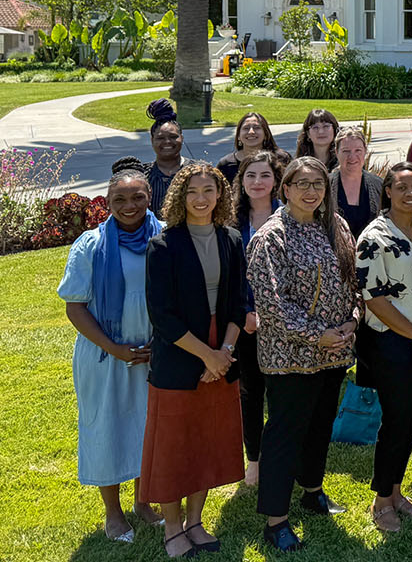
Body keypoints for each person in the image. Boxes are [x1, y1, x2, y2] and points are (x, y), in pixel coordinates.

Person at [248, 156, 360, 552]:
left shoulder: (336, 226)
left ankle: (312, 491)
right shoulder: (270, 237)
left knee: (320, 425)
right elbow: (272, 306)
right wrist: (318, 335)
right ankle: (276, 520)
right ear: (286, 189)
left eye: (318, 184)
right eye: (302, 184)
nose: (311, 191)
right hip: (289, 356)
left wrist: (352, 320)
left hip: (335, 353)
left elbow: (353, 281)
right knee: (285, 433)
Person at [141, 163, 248, 558]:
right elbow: (162, 315)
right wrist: (208, 356)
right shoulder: (163, 246)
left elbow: (239, 303)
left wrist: (225, 354)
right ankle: (172, 528)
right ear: (179, 197)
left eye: (208, 190)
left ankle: (195, 522)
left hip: (224, 347)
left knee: (206, 441)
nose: (201, 199)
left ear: (220, 195)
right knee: (174, 446)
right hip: (180, 356)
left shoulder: (232, 239)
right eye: (192, 192)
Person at [58, 170, 164, 542]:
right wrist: (115, 348)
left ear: (149, 196)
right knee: (108, 427)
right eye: (119, 199)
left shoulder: (164, 236)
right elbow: (75, 307)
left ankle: (144, 502)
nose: (129, 206)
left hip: (153, 356)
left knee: (147, 428)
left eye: (137, 197)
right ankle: (113, 513)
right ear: (107, 201)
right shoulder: (91, 245)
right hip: (105, 357)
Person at [355, 162, 412, 532]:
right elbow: (373, 299)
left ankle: (396, 492)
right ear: (387, 191)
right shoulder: (373, 237)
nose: (411, 194)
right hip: (391, 341)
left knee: (409, 420)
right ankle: (381, 501)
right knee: (395, 421)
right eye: (402, 187)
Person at [230, 151, 284, 487]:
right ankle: (255, 460)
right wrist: (244, 315)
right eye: (250, 176)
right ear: (242, 182)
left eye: (264, 175)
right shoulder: (231, 223)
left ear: (276, 180)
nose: (257, 182)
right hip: (246, 324)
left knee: (281, 394)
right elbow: (227, 277)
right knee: (250, 393)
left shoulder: (290, 218)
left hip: (284, 323)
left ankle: (281, 457)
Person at [330, 125, 383, 240]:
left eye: (358, 150)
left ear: (365, 151)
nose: (352, 157)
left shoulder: (379, 186)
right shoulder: (325, 186)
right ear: (336, 152)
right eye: (346, 151)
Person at [216, 112, 286, 185]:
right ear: (238, 136)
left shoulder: (281, 159)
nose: (251, 132)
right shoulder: (225, 165)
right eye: (246, 128)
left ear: (266, 134)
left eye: (257, 128)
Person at [142, 99, 184, 217]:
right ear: (152, 140)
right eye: (160, 138)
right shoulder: (142, 175)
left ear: (182, 138)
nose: (167, 142)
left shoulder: (196, 171)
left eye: (173, 137)